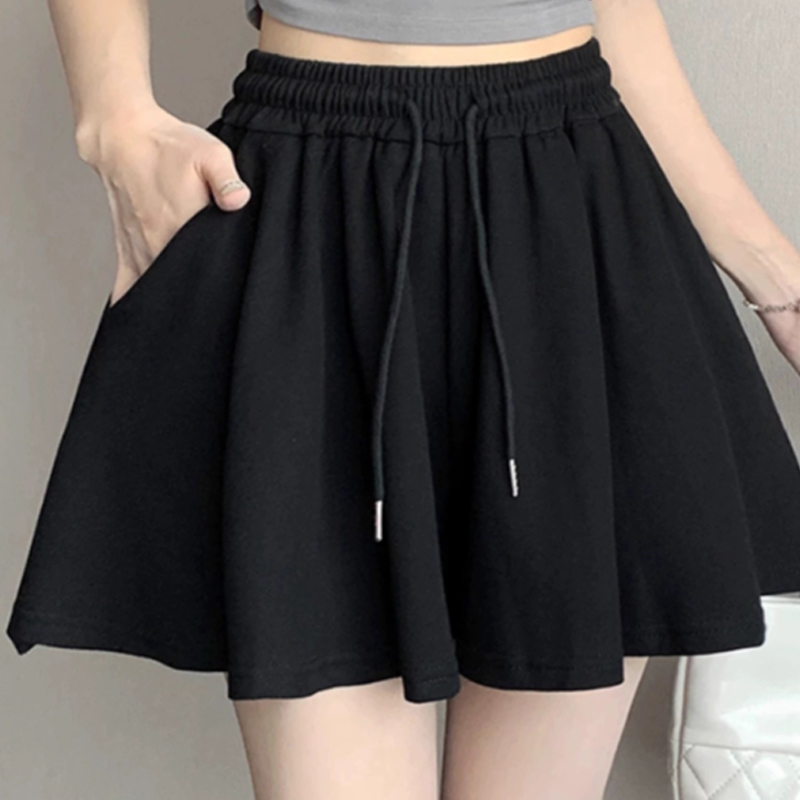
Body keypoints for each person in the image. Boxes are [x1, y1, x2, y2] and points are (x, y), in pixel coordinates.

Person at [7, 0, 800, 798]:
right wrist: (114, 125)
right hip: (312, 217)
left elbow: (615, 13)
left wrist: (779, 281)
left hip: (570, 223)